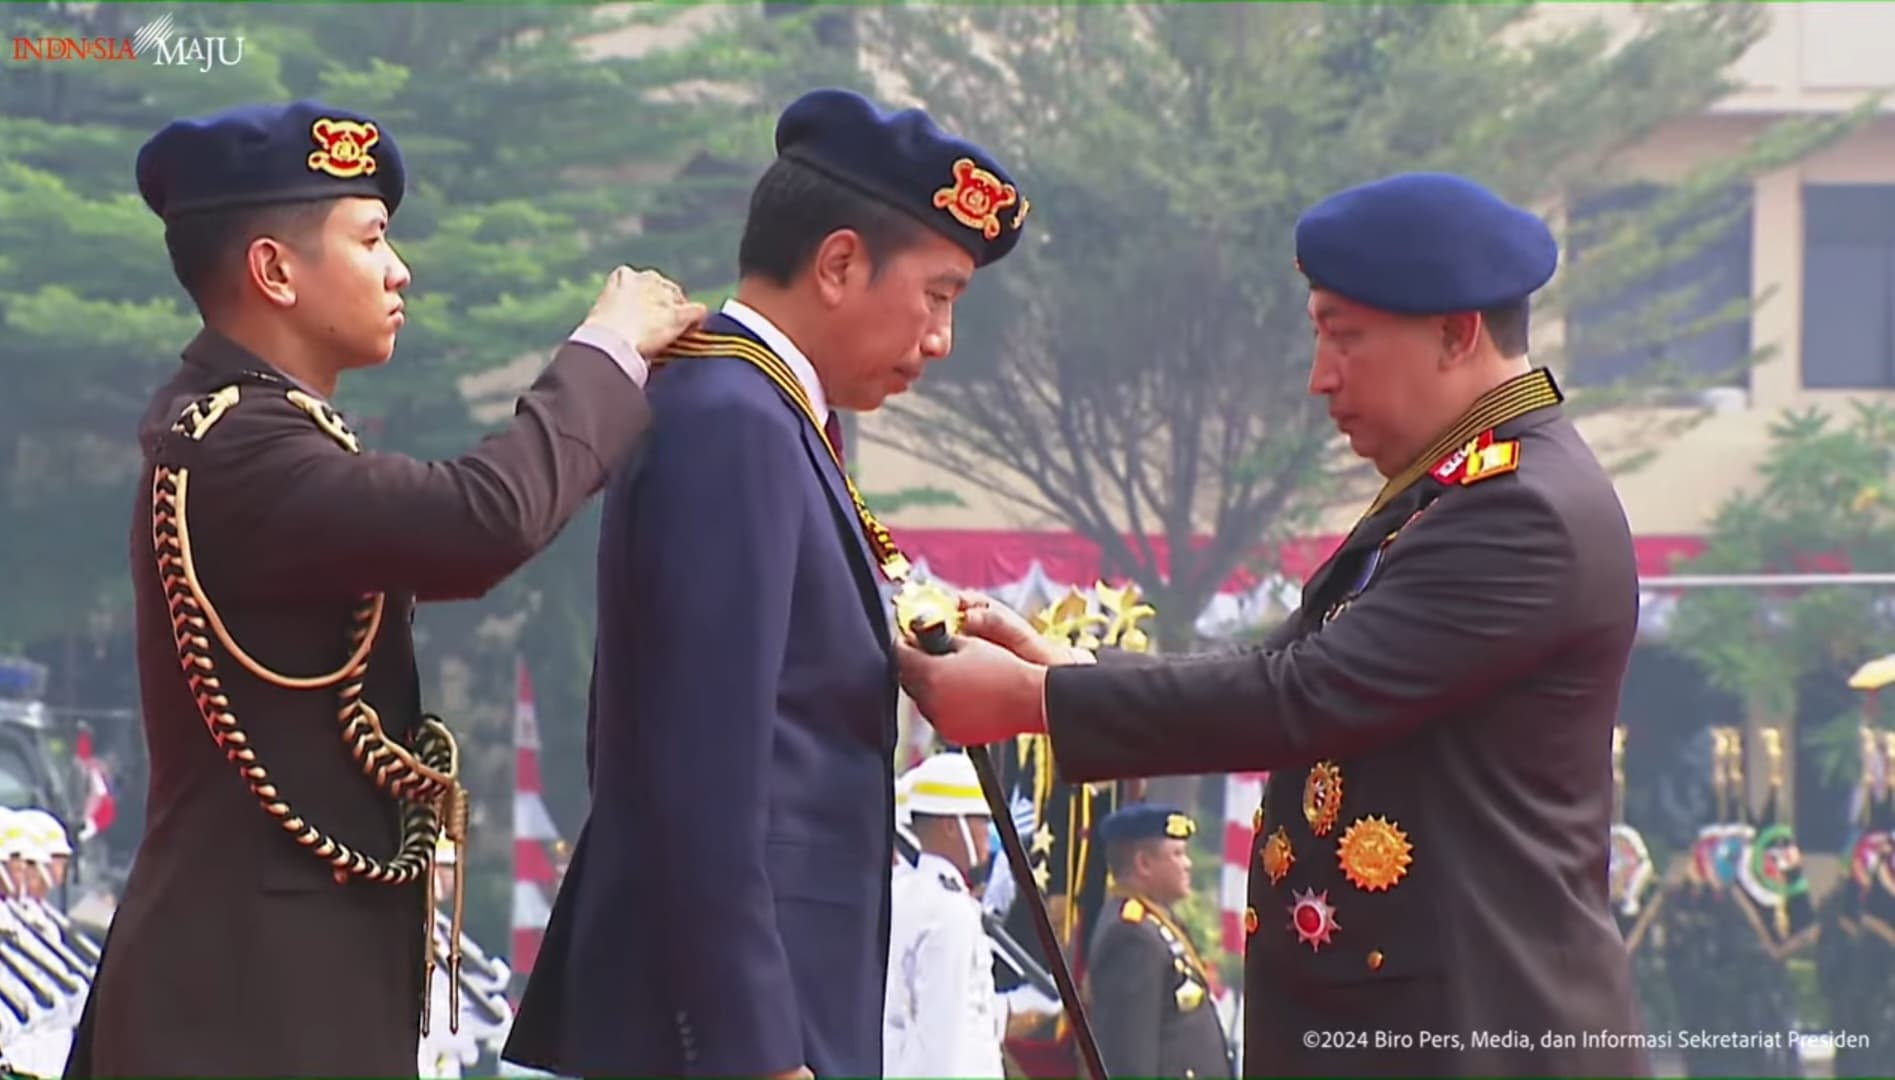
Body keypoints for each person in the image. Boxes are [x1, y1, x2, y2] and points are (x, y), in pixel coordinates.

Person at [898, 171, 1650, 1078]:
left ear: (1455, 334)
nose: (1319, 378)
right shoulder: (1448, 495)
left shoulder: (1520, 509)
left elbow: (1307, 693)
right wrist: (1066, 668)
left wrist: (1037, 703)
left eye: (1345, 338)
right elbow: (1292, 664)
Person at [66, 99, 703, 1078]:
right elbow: (483, 520)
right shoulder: (238, 445)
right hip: (242, 1004)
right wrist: (607, 347)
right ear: (274, 271)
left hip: (270, 984)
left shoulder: (252, 430)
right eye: (370, 240)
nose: (399, 269)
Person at [503, 87, 1028, 1079]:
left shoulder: (768, 417)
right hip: (732, 1036)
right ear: (837, 263)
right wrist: (753, 1050)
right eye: (938, 294)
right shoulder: (733, 422)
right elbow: (703, 772)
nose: (939, 339)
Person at [1085, 805, 1232, 1080]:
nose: (1187, 864)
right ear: (1143, 863)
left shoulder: (1157, 921)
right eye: (1177, 854)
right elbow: (1130, 1059)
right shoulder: (1130, 936)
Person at [883, 752, 1005, 1078]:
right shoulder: (949, 911)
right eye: (981, 820)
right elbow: (942, 1035)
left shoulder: (909, 893)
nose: (987, 835)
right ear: (951, 826)